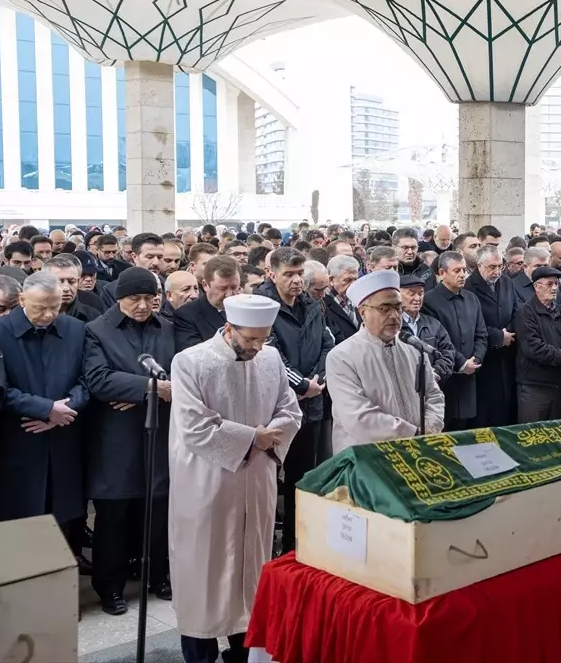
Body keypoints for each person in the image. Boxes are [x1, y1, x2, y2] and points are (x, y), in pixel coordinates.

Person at [168, 294, 302, 663]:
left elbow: (289, 409)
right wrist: (251, 438)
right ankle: (200, 653)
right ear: (228, 329)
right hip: (207, 485)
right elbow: (193, 427)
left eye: (264, 339)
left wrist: (268, 435)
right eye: (250, 340)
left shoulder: (271, 358)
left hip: (256, 479)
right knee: (205, 571)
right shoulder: (190, 362)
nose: (257, 348)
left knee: (251, 568)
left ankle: (244, 651)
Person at [82, 267, 175, 615]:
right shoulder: (97, 330)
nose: (141, 306)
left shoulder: (166, 326)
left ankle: (158, 575)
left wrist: (139, 391)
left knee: (158, 510)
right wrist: (150, 389)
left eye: (148, 299)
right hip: (116, 439)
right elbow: (99, 379)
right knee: (114, 517)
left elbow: (178, 370)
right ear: (118, 298)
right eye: (133, 299)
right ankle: (110, 587)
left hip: (160, 435)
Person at [0, 271, 90, 576]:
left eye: (55, 307)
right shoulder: (1, 331)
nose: (49, 315)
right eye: (40, 308)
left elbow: (87, 380)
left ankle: (63, 593)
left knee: (66, 519)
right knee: (22, 519)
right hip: (19, 443)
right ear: (22, 299)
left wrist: (64, 411)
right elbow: (2, 389)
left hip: (65, 437)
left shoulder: (75, 329)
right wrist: (45, 409)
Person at [255, 248, 332, 554]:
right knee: (269, 478)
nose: (297, 280)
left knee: (302, 477)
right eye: (288, 274)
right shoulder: (262, 306)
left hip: (311, 404)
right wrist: (301, 384)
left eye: (300, 273)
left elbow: (328, 343)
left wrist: (317, 380)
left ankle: (295, 543)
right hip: (275, 407)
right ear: (271, 273)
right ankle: (266, 545)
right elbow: (268, 350)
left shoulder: (313, 305)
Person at [327, 271, 445, 452]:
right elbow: (358, 417)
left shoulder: (413, 347)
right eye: (385, 308)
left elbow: (433, 394)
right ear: (363, 312)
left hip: (418, 449)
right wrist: (413, 434)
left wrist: (430, 428)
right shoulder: (342, 356)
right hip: (367, 457)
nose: (394, 315)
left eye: (398, 307)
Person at [422, 251, 487, 430]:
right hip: (446, 378)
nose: (462, 275)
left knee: (465, 429)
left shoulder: (471, 299)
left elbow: (481, 334)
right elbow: (438, 341)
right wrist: (461, 363)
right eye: (456, 270)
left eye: (464, 270)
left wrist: (476, 359)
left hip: (469, 378)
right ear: (442, 273)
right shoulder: (429, 301)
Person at [512, 267, 561, 422]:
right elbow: (532, 346)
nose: (554, 288)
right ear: (537, 286)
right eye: (549, 284)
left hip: (558, 384)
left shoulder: (560, 311)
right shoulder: (525, 312)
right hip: (534, 386)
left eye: (557, 283)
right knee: (532, 434)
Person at [465, 246, 517, 427]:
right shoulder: (468, 287)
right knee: (486, 411)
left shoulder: (506, 282)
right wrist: (497, 336)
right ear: (479, 265)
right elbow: (470, 323)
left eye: (500, 266)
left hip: (508, 353)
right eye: (491, 267)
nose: (497, 271)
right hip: (485, 358)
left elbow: (515, 311)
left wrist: (509, 333)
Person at [174, 256, 242, 351]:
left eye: (234, 288)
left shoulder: (247, 310)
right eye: (222, 288)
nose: (229, 294)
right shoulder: (186, 316)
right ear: (205, 285)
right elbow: (193, 355)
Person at [398, 275, 456, 384]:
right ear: (398, 295)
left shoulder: (433, 324)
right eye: (411, 294)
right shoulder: (394, 326)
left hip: (432, 387)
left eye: (421, 293)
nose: (417, 298)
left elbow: (448, 352)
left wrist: (436, 372)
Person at [323, 254, 361, 346]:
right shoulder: (322, 303)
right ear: (331, 279)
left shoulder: (359, 298)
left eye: (355, 279)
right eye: (347, 280)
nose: (353, 284)